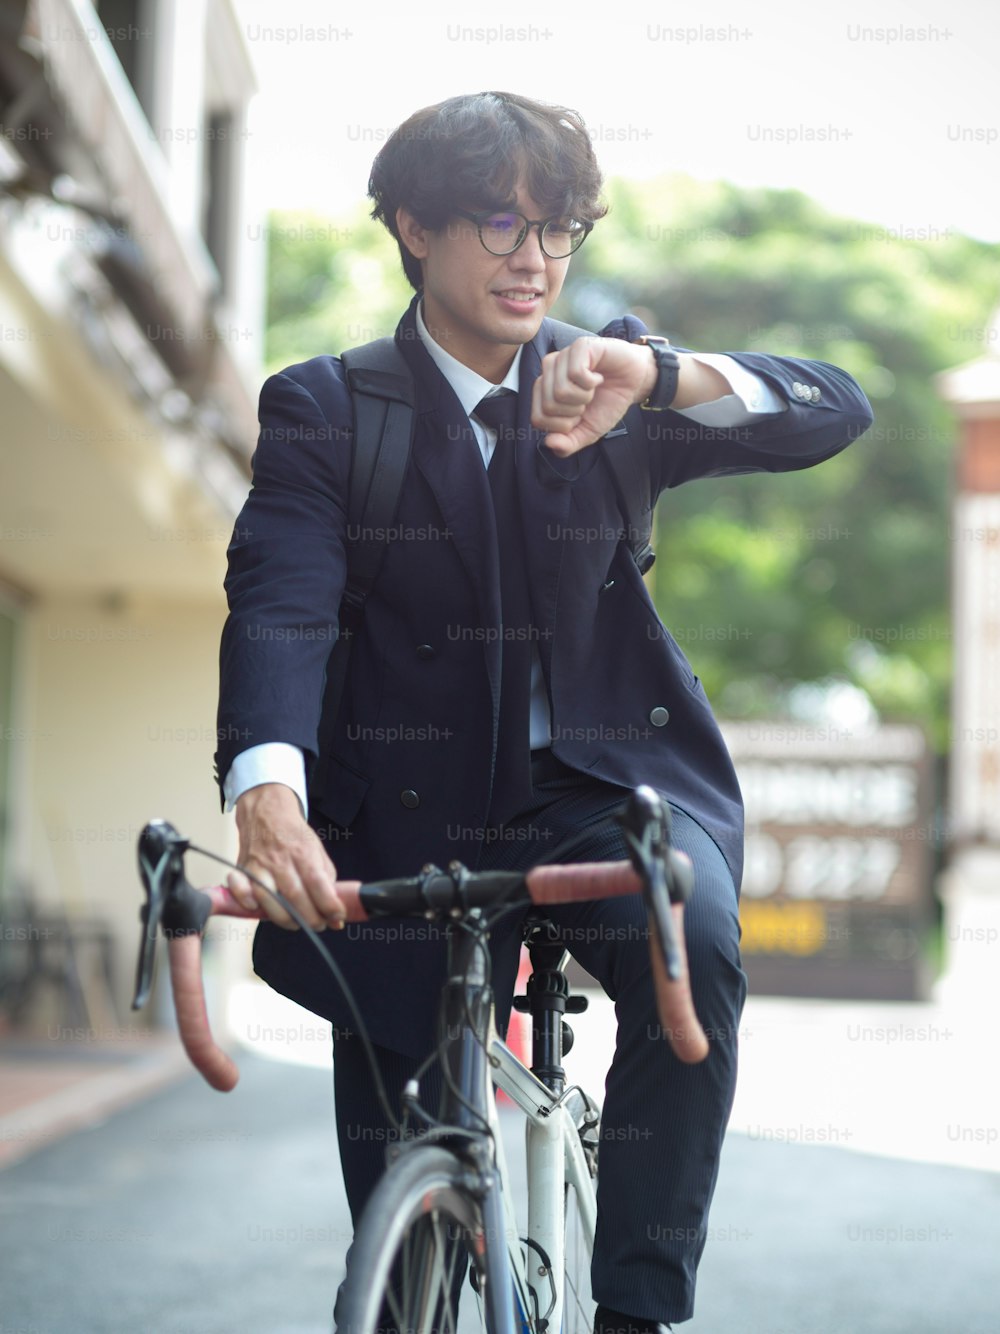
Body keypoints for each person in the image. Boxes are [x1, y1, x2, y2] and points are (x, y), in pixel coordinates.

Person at [215, 91, 872, 1330]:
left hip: (598, 798)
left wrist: (662, 373)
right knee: (398, 1265)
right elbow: (280, 606)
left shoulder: (610, 379)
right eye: (501, 222)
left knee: (698, 937)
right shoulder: (326, 408)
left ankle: (634, 1305)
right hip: (401, 825)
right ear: (411, 225)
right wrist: (266, 789)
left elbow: (836, 407)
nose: (536, 258)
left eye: (560, 227)